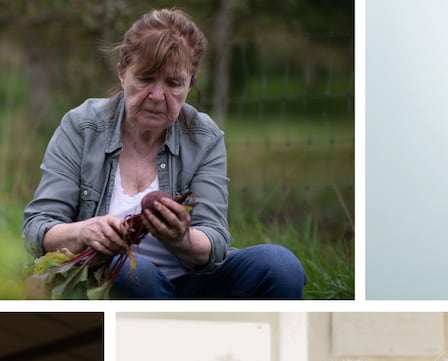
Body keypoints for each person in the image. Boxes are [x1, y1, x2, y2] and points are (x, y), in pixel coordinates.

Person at [23, 8, 306, 299]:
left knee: (281, 266)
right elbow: (38, 228)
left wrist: (181, 239)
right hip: (107, 283)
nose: (158, 96)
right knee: (132, 272)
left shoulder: (204, 137)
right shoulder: (82, 126)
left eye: (173, 83)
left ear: (190, 83)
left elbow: (215, 240)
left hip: (192, 283)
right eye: (145, 79)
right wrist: (84, 232)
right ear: (122, 73)